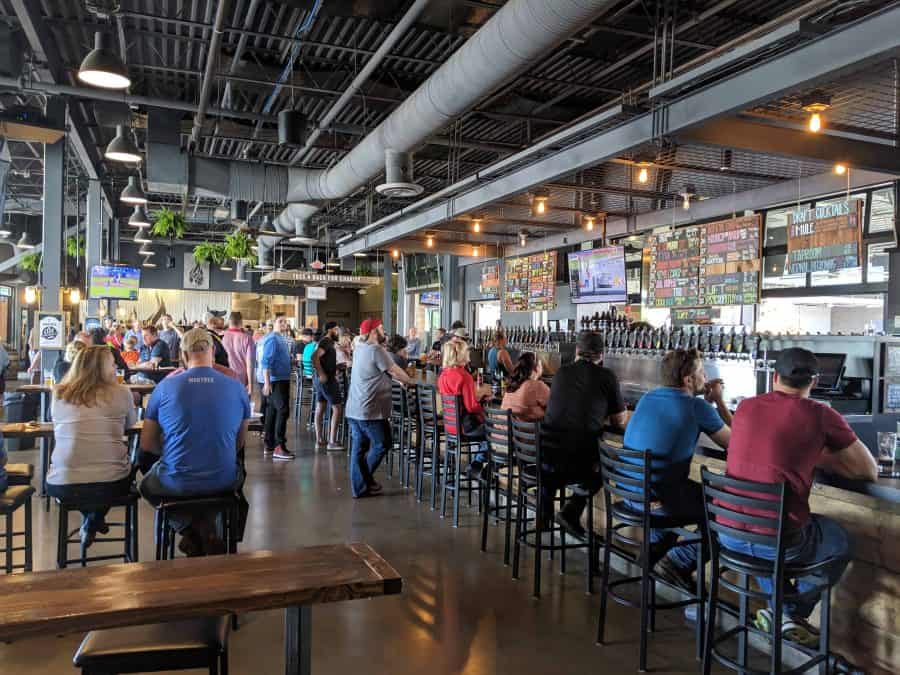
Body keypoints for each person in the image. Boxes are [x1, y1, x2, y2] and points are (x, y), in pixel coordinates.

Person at [719, 348, 877, 645]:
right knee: (839, 543)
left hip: (728, 533)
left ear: (774, 376)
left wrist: (806, 454)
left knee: (775, 532)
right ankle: (789, 613)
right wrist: (816, 455)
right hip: (774, 540)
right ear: (814, 383)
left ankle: (781, 613)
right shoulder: (820, 414)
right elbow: (868, 470)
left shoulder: (745, 407)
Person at [622, 348, 732, 590]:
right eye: (702, 371)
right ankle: (677, 563)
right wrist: (719, 401)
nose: (706, 375)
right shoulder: (696, 407)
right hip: (657, 501)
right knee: (726, 509)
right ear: (688, 380)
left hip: (629, 495)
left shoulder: (647, 398)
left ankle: (651, 556)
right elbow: (736, 444)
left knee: (681, 494)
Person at [139, 328, 250, 556]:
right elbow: (238, 444)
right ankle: (205, 528)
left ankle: (190, 528)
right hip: (224, 479)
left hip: (176, 481)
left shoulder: (165, 387)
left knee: (145, 486)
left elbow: (147, 444)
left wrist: (175, 449)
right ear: (213, 350)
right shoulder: (236, 386)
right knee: (215, 483)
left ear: (183, 353)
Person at [47, 346, 137, 549]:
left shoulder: (59, 393)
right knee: (113, 475)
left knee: (89, 482)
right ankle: (93, 519)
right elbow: (130, 425)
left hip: (62, 482)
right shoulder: (122, 392)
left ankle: (92, 519)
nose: (116, 368)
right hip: (111, 481)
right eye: (113, 365)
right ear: (105, 368)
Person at [543, 331, 628, 540]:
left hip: (545, 458)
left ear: (577, 351)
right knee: (604, 465)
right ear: (601, 354)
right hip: (578, 464)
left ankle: (545, 507)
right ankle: (571, 511)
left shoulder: (561, 373)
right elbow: (619, 421)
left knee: (565, 456)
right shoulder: (607, 376)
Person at [345, 318, 414, 498]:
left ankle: (361, 486)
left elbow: (380, 372)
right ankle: (363, 482)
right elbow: (394, 370)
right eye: (382, 329)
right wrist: (409, 380)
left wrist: (399, 380)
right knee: (382, 443)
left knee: (359, 448)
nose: (385, 332)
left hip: (355, 408)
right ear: (374, 332)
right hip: (369, 410)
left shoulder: (360, 349)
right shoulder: (376, 349)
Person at [438, 338, 494, 479]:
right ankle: (477, 465)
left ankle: (476, 466)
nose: (469, 355)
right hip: (465, 427)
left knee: (487, 431)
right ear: (462, 354)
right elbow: (471, 407)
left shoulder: (443, 375)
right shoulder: (464, 376)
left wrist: (478, 401)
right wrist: (483, 408)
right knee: (495, 432)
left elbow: (460, 402)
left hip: (450, 426)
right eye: (467, 352)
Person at [260, 316, 294, 460]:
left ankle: (270, 443)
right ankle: (279, 446)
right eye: (280, 321)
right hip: (276, 381)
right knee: (282, 410)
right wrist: (267, 383)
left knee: (272, 411)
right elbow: (265, 362)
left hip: (281, 379)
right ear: (273, 323)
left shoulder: (281, 338)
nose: (284, 323)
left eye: (285, 321)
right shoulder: (273, 339)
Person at [312, 330, 344, 450]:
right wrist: (322, 374)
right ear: (331, 330)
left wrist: (336, 366)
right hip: (327, 380)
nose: (338, 332)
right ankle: (332, 441)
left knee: (320, 406)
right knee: (337, 408)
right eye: (336, 329)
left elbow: (323, 360)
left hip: (322, 380)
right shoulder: (326, 342)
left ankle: (319, 439)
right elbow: (314, 357)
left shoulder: (326, 342)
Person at [500, 352, 550, 421]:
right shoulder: (537, 385)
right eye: (541, 364)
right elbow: (553, 404)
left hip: (500, 430)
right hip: (523, 430)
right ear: (536, 368)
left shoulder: (511, 384)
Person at [222, 311, 255, 395]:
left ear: (229, 321)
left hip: (224, 376)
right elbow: (250, 364)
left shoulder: (221, 336)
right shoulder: (247, 338)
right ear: (241, 322)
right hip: (241, 378)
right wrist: (251, 385)